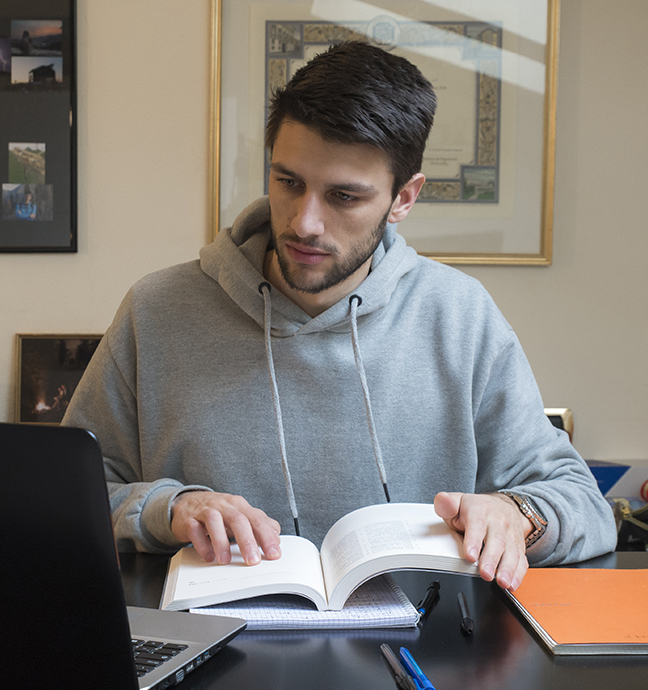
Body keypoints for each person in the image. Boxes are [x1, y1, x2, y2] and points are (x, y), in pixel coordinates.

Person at [61, 41, 616, 591]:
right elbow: (64, 500)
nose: (305, 223)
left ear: (404, 198)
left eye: (344, 197)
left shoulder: (460, 315)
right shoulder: (157, 309)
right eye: (289, 182)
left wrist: (519, 515)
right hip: (209, 653)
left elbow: (581, 504)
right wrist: (168, 508)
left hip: (424, 653)